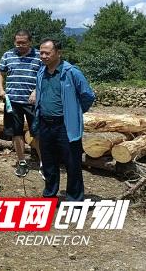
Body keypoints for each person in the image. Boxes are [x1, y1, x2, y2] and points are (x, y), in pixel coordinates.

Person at [35, 38, 95, 202]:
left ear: (58, 53)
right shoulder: (41, 71)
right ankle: (49, 195)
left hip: (65, 125)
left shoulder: (71, 72)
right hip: (45, 123)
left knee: (72, 163)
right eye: (41, 53)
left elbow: (88, 95)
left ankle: (74, 199)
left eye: (47, 53)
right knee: (49, 163)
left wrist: (75, 111)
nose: (43, 56)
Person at [0, 29, 43, 178]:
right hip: (12, 102)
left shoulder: (39, 56)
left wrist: (36, 91)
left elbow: (45, 76)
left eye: (24, 42)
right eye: (18, 42)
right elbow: (0, 73)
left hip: (33, 102)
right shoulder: (8, 55)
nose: (20, 45)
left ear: (30, 42)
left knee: (38, 133)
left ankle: (44, 163)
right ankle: (22, 162)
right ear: (14, 41)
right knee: (16, 132)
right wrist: (1, 89)